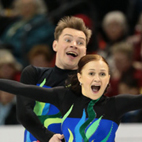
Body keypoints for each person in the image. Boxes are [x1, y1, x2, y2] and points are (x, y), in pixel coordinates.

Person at [0, 54, 142, 142]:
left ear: (108, 79)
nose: (97, 79)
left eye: (102, 74)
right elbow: (21, 88)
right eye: (91, 73)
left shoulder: (116, 104)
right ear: (80, 77)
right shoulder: (65, 97)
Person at [16, 16, 92, 142]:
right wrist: (48, 137)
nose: (74, 45)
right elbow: (24, 114)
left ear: (84, 52)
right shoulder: (33, 74)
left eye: (80, 42)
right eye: (68, 40)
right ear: (55, 45)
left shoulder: (88, 84)